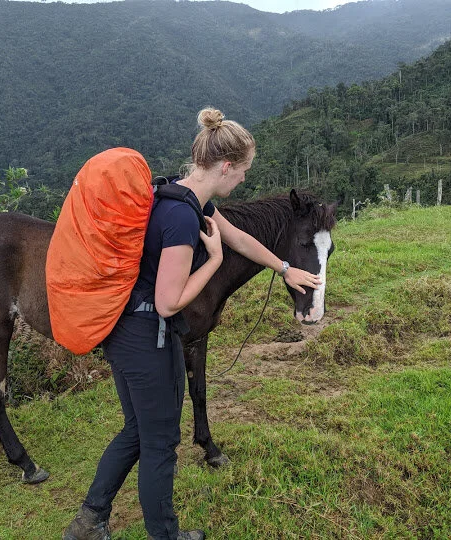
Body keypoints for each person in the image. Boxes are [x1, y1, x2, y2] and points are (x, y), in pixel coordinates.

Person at [63, 108, 322, 540]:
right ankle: (164, 535)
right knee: (160, 442)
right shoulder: (183, 218)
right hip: (147, 333)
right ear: (226, 166)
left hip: (124, 329)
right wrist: (215, 260)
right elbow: (169, 302)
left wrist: (283, 267)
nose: (245, 179)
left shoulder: (178, 194)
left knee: (137, 430)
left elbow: (238, 236)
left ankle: (89, 522)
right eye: (244, 171)